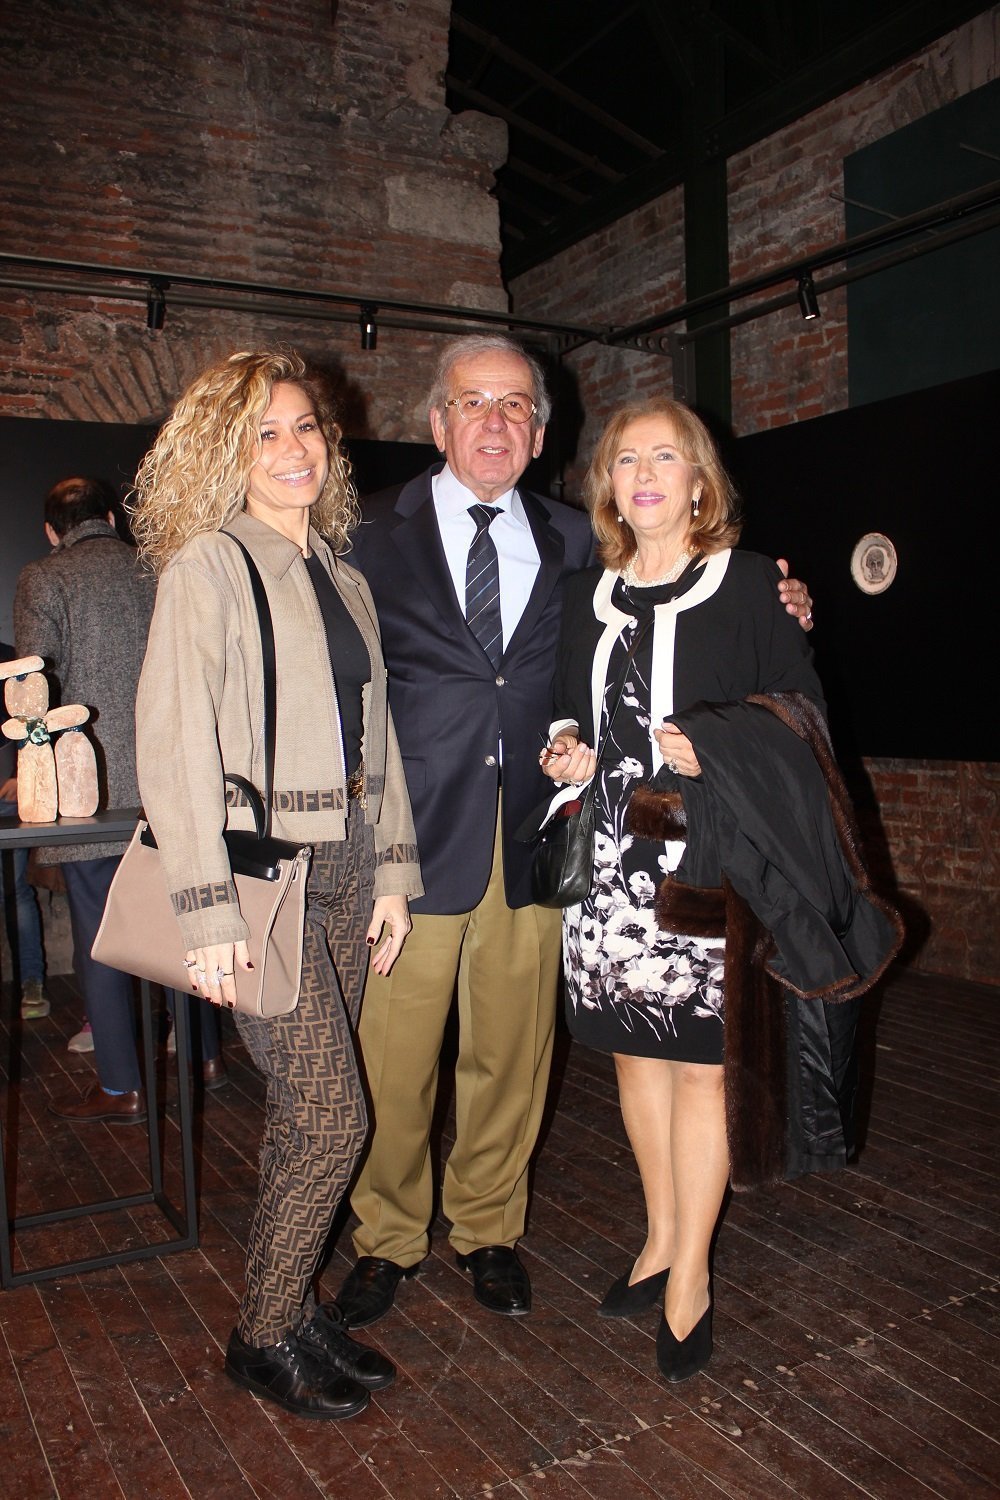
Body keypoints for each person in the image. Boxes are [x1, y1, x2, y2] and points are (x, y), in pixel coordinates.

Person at [337, 334, 816, 1328]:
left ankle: (486, 1228)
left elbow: (664, 616)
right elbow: (335, 676)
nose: (495, 422)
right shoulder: (367, 531)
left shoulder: (576, 542)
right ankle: (385, 1237)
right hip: (410, 841)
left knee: (512, 1055)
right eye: (474, 403)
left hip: (542, 840)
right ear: (438, 422)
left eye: (516, 406)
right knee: (393, 1058)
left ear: (541, 432)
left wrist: (783, 601)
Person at [540, 397, 899, 1383]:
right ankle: (658, 1237)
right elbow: (565, 708)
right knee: (632, 1058)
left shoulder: (747, 584)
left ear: (700, 481)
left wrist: (721, 743)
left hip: (706, 857)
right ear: (608, 484)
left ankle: (691, 1270)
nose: (644, 474)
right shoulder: (582, 595)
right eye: (626, 460)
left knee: (702, 1066)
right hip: (609, 867)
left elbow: (803, 715)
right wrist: (564, 749)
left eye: (666, 457)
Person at [130, 350, 422, 1421]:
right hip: (267, 875)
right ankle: (261, 1334)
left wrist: (392, 869)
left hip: (346, 859)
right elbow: (172, 746)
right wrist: (204, 911)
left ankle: (292, 1307)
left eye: (306, 428)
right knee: (336, 1116)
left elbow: (377, 736)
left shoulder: (342, 575)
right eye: (265, 432)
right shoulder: (208, 566)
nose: (294, 449)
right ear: (226, 452)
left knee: (309, 1114)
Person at [14, 477, 156, 1116]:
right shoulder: (157, 569)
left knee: (103, 937)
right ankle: (204, 1055)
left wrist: (33, 773)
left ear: (53, 531)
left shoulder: (43, 577)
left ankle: (122, 1084)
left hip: (87, 790)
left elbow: (33, 687)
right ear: (111, 518)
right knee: (184, 924)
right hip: (168, 786)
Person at [0, 640, 49, 1019]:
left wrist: (23, 772)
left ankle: (31, 982)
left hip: (5, 793)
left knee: (14, 891)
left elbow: (37, 714)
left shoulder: (8, 657)